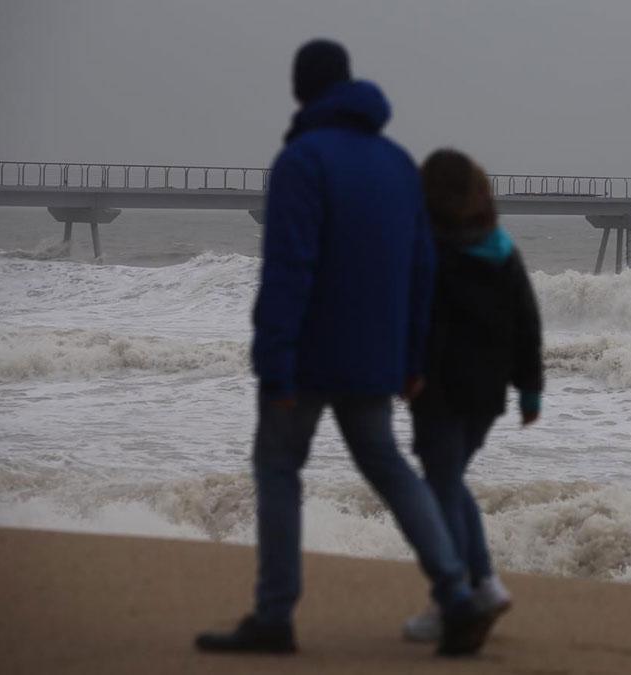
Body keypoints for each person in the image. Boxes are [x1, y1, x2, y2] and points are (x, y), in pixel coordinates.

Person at [195, 40, 495, 658]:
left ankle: (275, 616)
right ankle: (457, 597)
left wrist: (273, 364)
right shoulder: (395, 164)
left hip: (307, 357)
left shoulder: (302, 161)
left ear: (302, 90)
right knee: (389, 468)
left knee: (279, 469)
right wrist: (411, 359)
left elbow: (289, 271)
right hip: (374, 358)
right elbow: (421, 272)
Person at [401, 149, 544, 642]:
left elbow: (420, 320)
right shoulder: (501, 248)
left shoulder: (429, 248)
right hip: (487, 393)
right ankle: (478, 586)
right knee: (447, 481)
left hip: (437, 388)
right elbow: (527, 320)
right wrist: (530, 389)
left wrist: (406, 370)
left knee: (441, 485)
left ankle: (464, 594)